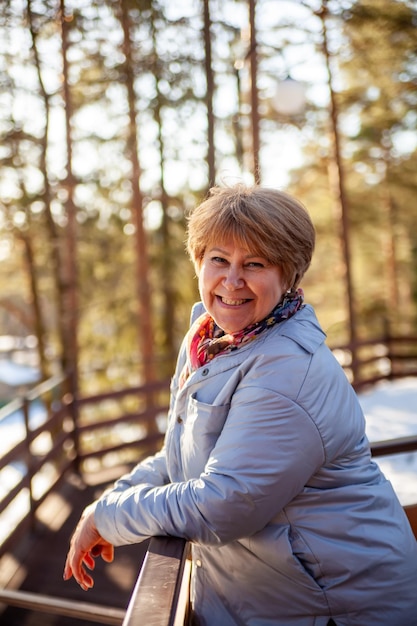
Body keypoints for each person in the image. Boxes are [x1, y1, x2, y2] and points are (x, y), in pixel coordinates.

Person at [64, 184, 417, 626]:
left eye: (254, 264)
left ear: (289, 276)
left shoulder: (287, 368)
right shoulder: (211, 340)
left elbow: (222, 505)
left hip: (338, 606)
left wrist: (110, 516)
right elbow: (184, 453)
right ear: (199, 262)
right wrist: (111, 500)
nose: (232, 281)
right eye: (218, 260)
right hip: (272, 597)